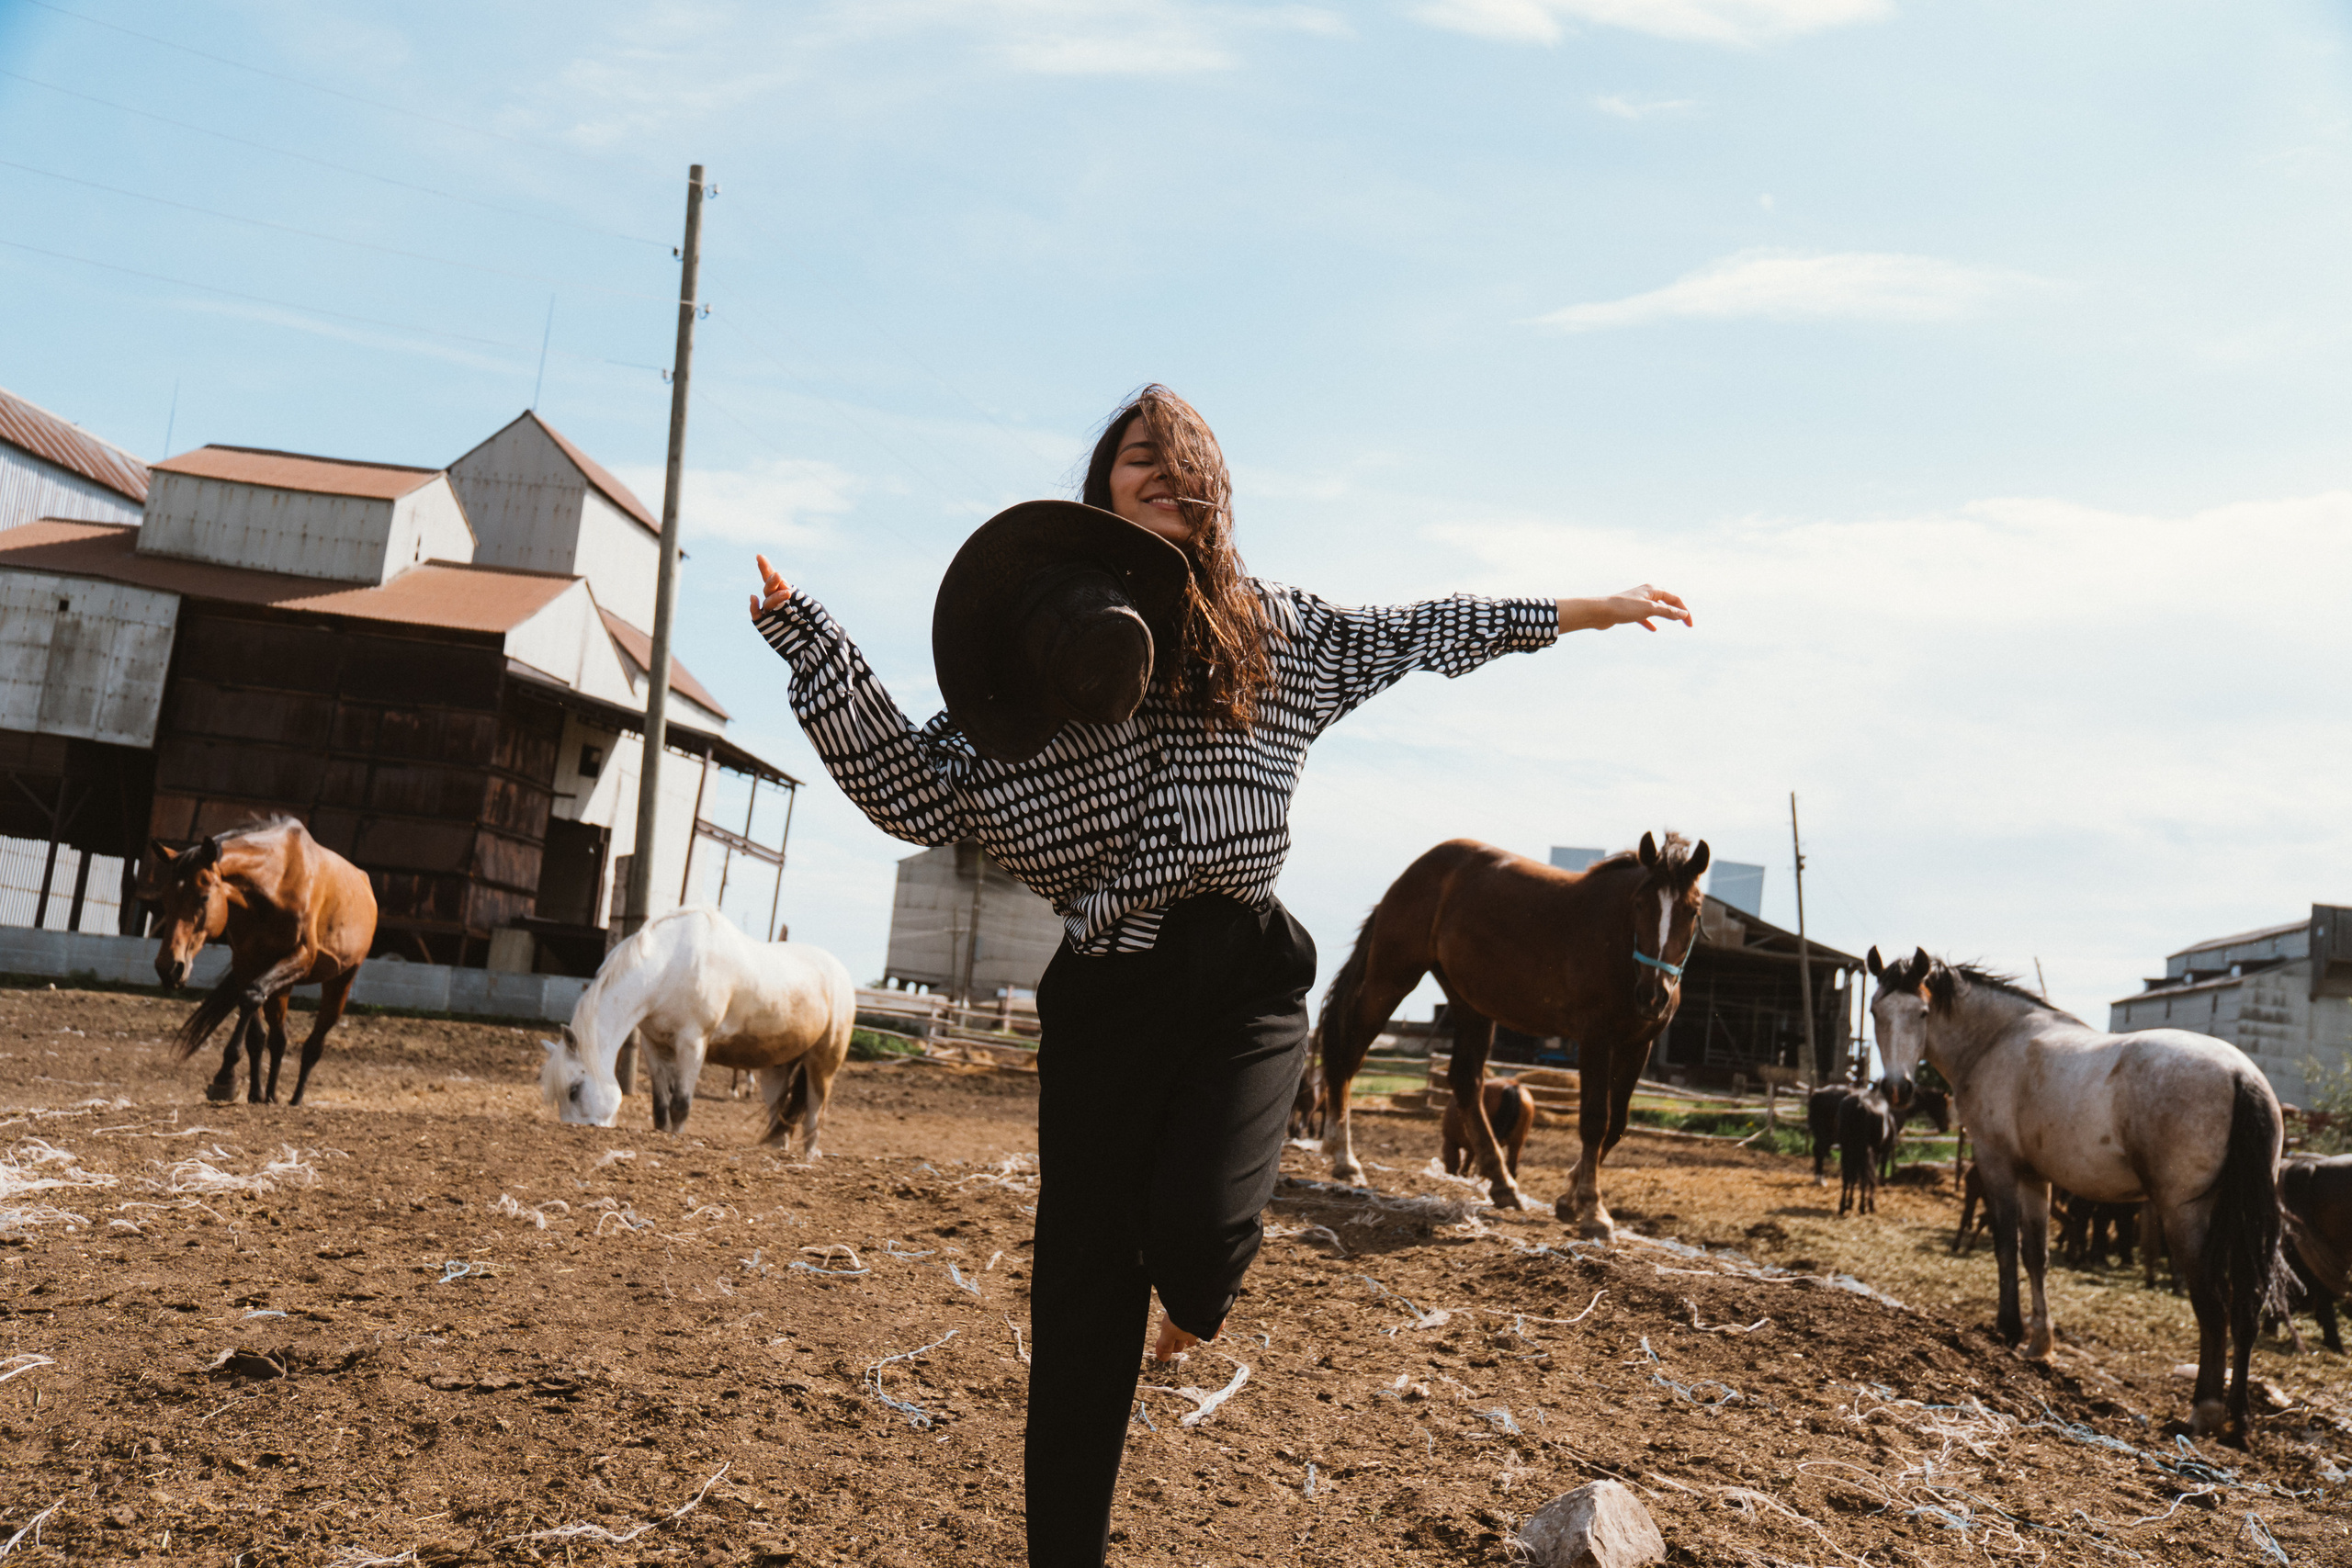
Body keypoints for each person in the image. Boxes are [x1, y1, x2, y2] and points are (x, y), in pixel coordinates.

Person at [749, 384, 1690, 1568]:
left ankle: (1193, 1303)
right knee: (1081, 1307)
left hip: (1244, 979)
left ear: (1212, 489)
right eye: (1131, 461)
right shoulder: (1045, 664)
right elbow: (908, 787)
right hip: (1107, 987)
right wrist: (813, 645)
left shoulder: (1276, 636)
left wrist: (1579, 611)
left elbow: (1424, 629)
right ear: (1097, 495)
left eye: (1174, 459)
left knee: (1196, 1250)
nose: (1154, 474)